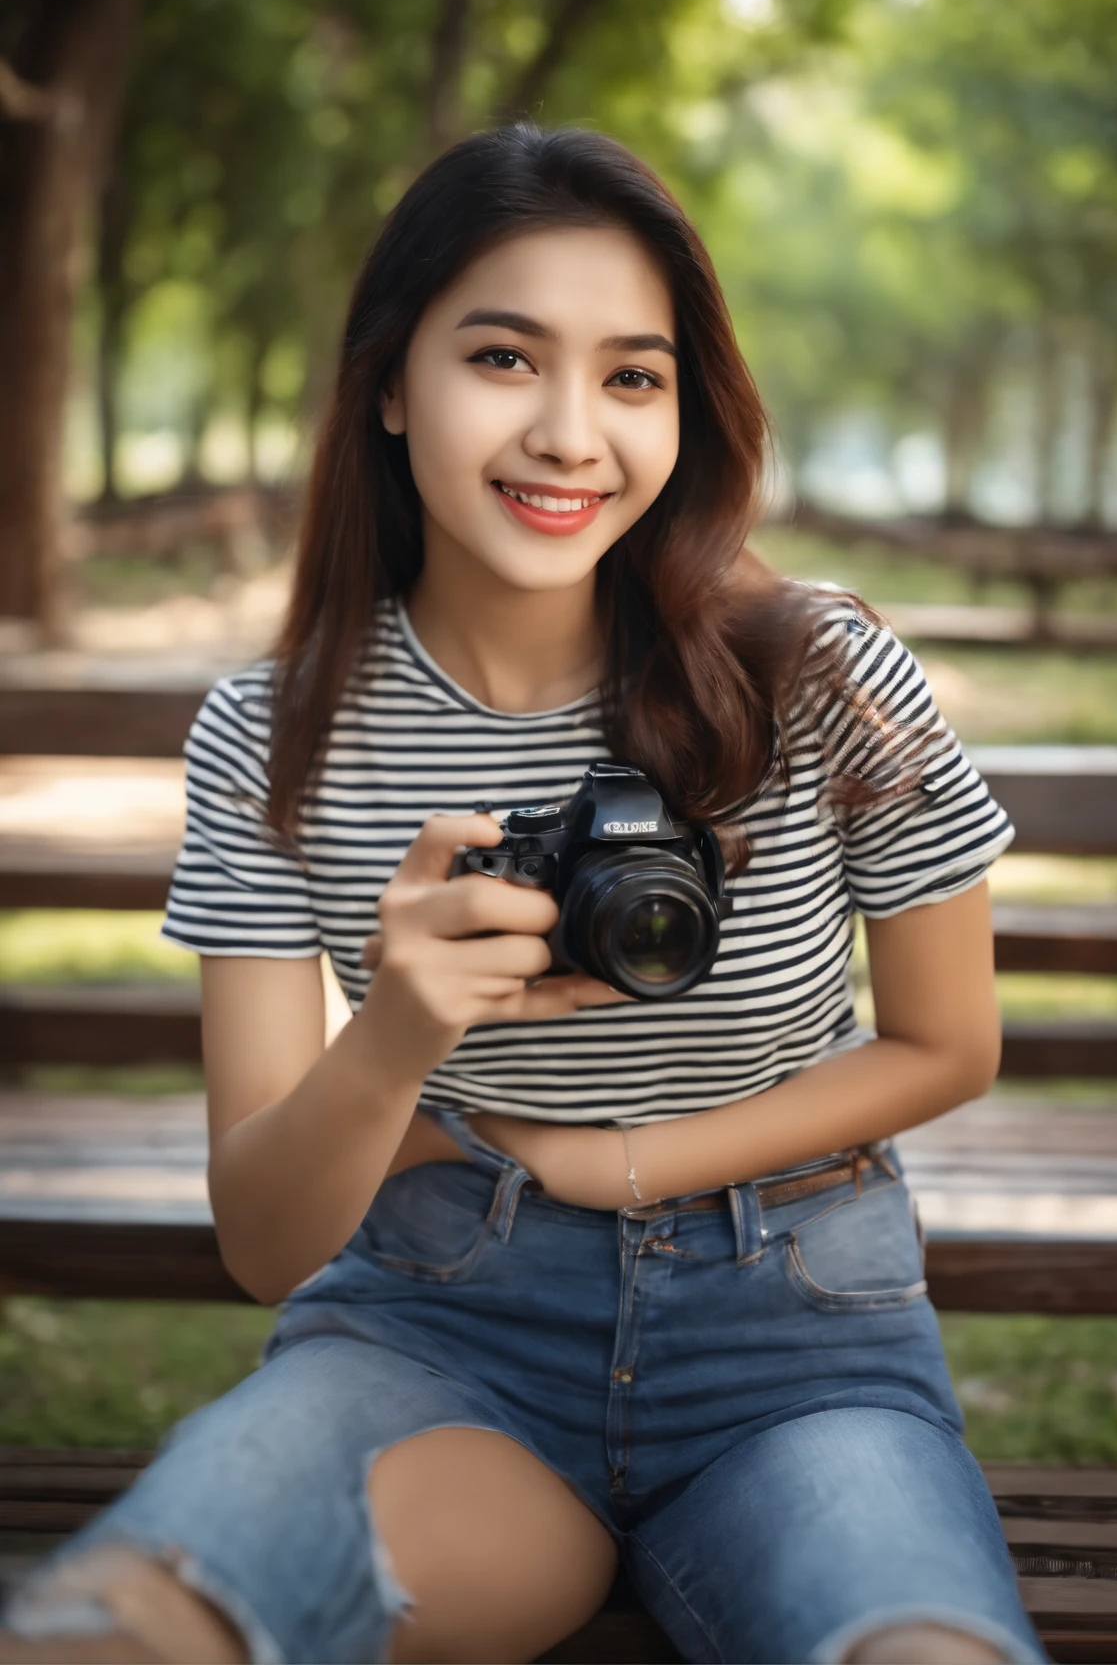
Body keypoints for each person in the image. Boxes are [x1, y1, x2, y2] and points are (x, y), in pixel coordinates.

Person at [0, 124, 1045, 1665]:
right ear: (386, 382)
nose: (572, 433)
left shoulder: (816, 678)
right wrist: (396, 1029)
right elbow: (268, 1244)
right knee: (141, 1619)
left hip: (799, 1347)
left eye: (633, 376)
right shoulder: (277, 731)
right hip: (440, 1332)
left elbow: (949, 1046)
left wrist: (607, 1167)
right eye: (504, 357)